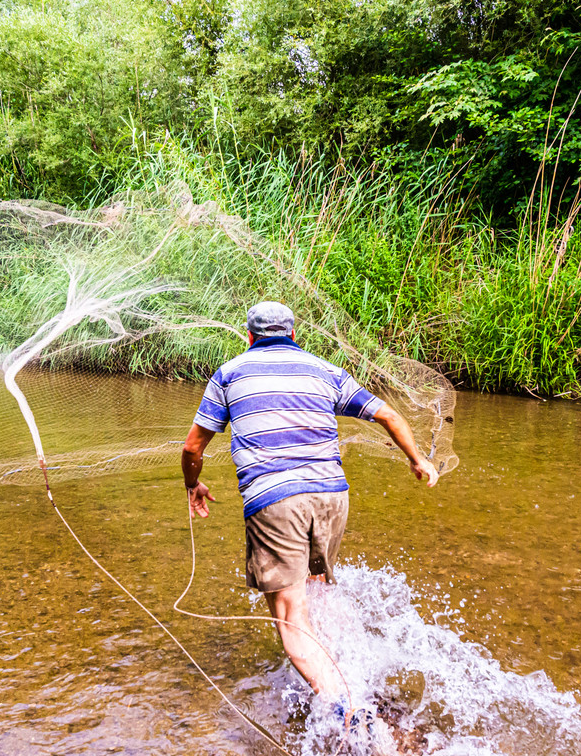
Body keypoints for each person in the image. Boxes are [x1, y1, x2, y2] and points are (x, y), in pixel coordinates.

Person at [180, 300, 439, 708]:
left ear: (248, 336)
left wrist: (193, 484)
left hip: (275, 500)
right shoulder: (325, 370)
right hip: (332, 496)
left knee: (290, 615)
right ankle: (347, 667)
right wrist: (417, 459)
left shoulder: (228, 375)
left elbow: (193, 446)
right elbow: (387, 415)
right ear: (294, 335)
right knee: (316, 586)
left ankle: (346, 708)